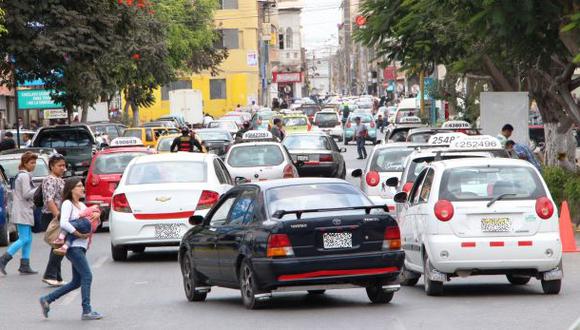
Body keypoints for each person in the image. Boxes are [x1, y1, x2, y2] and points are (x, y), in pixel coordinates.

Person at [39, 177, 103, 321]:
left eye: (82, 186)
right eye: (79, 186)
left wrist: (97, 215)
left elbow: (91, 223)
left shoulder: (81, 205)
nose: (82, 188)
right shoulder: (67, 203)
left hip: (81, 246)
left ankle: (47, 299)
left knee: (76, 281)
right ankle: (87, 310)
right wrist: (77, 233)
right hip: (73, 247)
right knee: (87, 276)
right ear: (72, 189)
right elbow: (64, 223)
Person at [0, 152, 39, 275]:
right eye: (31, 162)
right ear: (25, 163)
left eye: (34, 162)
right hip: (23, 211)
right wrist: (39, 189)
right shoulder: (24, 176)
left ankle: (25, 264)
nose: (34, 165)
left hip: (23, 210)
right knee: (24, 238)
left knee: (28, 239)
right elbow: (27, 194)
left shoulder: (23, 175)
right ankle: (3, 259)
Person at [41, 154, 67, 287]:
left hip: (60, 215)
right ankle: (50, 275)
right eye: (60, 166)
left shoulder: (59, 180)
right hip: (53, 216)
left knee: (58, 245)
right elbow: (49, 199)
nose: (63, 168)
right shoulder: (50, 180)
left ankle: (57, 276)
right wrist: (58, 216)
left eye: (64, 165)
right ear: (52, 166)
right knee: (59, 245)